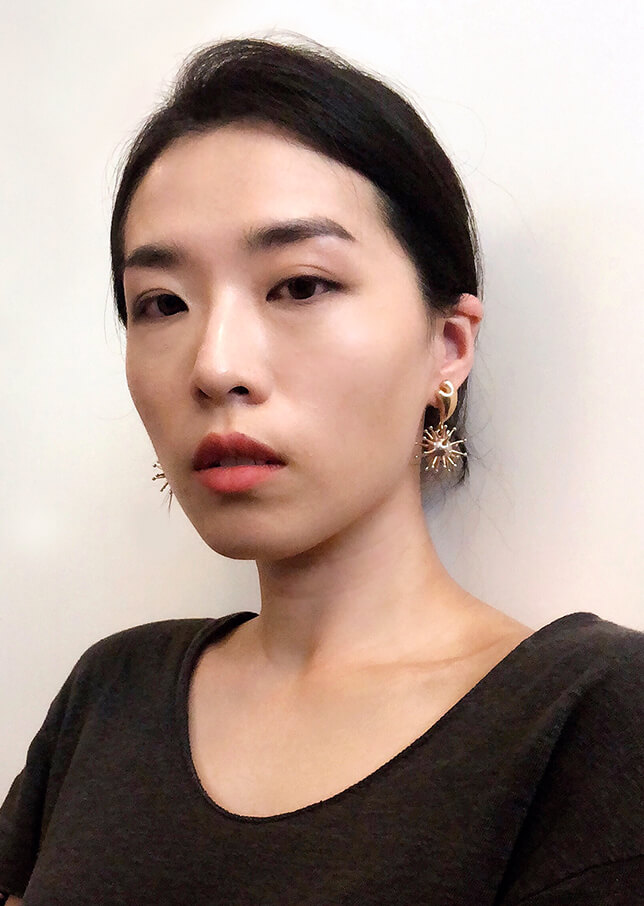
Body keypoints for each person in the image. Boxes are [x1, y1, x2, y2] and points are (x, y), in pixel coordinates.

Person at [0, 36, 642, 905]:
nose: (215, 366)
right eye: (162, 303)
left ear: (447, 347)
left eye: (299, 285)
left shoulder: (588, 718)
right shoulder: (110, 694)